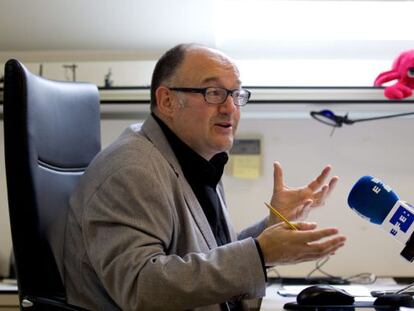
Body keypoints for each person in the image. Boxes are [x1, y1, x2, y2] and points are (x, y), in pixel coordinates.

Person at [63, 43, 346, 311]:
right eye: (213, 92)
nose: (230, 108)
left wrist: (271, 226)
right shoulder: (131, 170)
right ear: (167, 100)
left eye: (236, 95)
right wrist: (262, 254)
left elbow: (207, 256)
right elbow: (141, 287)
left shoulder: (195, 157)